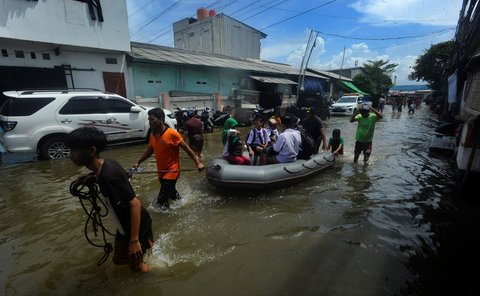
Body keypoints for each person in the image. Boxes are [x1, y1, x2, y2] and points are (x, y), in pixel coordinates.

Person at [66, 127, 153, 273]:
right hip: (123, 223)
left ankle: (161, 271)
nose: (71, 155)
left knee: (136, 267)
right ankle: (145, 256)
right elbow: (108, 177)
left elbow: (135, 204)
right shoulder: (105, 165)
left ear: (92, 151)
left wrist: (134, 240)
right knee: (119, 260)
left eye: (74, 150)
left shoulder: (109, 175)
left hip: (134, 222)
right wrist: (91, 177)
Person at [134, 108, 205, 210]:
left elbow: (187, 149)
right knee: (172, 194)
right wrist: (138, 162)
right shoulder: (153, 135)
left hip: (172, 171)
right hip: (161, 172)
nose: (150, 122)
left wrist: (198, 163)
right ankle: (184, 205)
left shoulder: (172, 134)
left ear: (161, 119)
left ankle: (169, 220)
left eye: (152, 120)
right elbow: (149, 151)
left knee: (161, 200)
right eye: (149, 119)